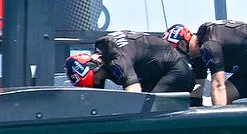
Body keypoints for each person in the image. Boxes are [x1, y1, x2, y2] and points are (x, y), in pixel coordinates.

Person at [164, 20, 247, 106]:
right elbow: (197, 93)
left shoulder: (208, 45)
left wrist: (219, 128)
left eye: (176, 54)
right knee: (225, 95)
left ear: (182, 44)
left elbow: (218, 86)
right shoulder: (197, 56)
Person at [65, 30, 193, 94]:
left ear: (95, 66)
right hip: (157, 72)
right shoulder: (102, 47)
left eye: (95, 79)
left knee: (149, 108)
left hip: (176, 69)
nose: (98, 82)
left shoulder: (117, 61)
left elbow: (134, 92)